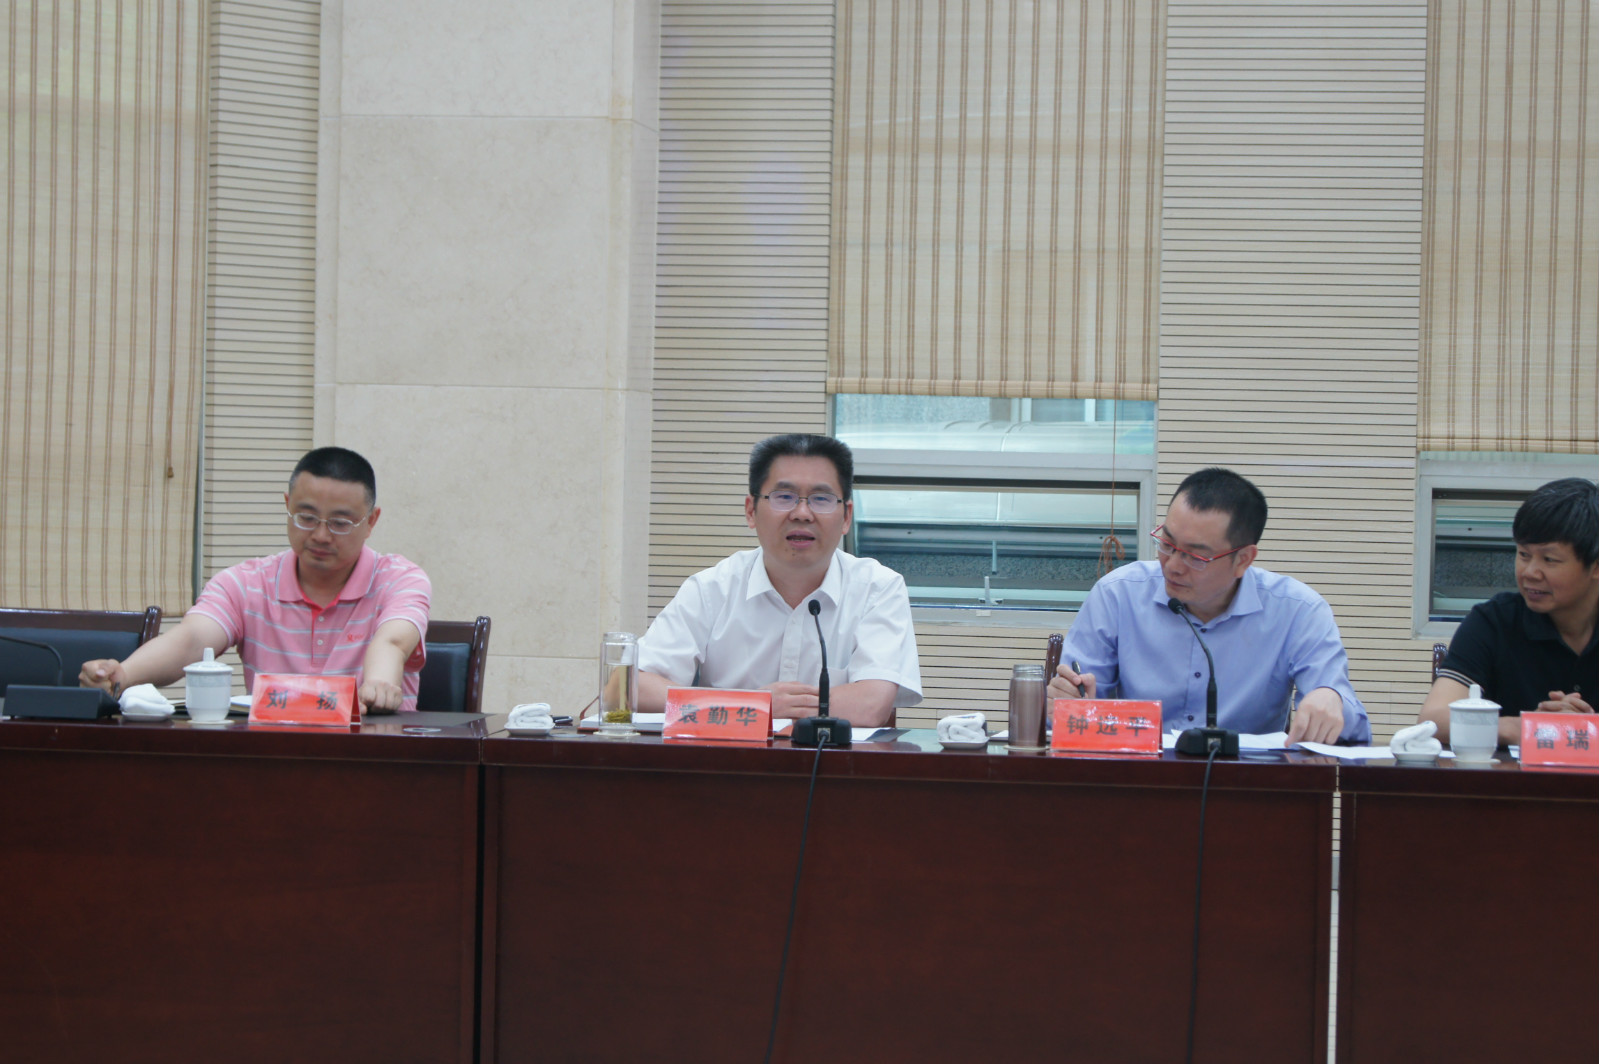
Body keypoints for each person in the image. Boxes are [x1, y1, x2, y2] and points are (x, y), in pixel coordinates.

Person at [80, 447, 431, 714]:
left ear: (371, 522)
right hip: (271, 757)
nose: (321, 535)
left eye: (340, 523)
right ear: (287, 506)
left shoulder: (399, 579)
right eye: (307, 517)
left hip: (371, 754)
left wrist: (380, 684)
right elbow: (191, 640)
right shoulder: (246, 584)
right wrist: (119, 675)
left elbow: (393, 642)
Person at [1047, 467, 1369, 744]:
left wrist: (1332, 699)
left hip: (1246, 788)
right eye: (1167, 543)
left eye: (1196, 556)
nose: (1173, 566)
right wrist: (1068, 703)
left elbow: (1354, 729)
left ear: (1243, 559)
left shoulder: (1297, 611)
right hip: (1139, 779)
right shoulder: (1118, 595)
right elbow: (1068, 713)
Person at [635, 433, 922, 728]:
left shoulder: (878, 589)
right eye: (784, 497)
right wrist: (753, 705)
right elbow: (634, 687)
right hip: (731, 756)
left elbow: (870, 706)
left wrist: (758, 708)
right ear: (751, 511)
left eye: (821, 499)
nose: (802, 514)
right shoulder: (711, 589)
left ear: (846, 516)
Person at [1419, 477, 1599, 744]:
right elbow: (1432, 720)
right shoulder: (1492, 622)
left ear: (1595, 567)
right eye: (1524, 554)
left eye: (1549, 559)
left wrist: (1583, 729)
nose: (1530, 572)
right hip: (1511, 772)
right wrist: (1527, 727)